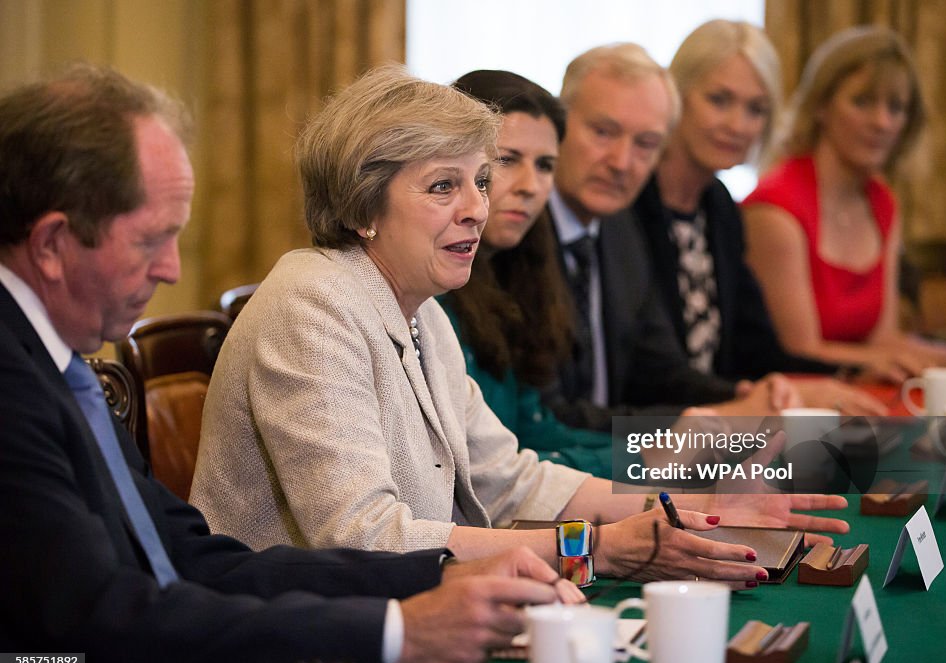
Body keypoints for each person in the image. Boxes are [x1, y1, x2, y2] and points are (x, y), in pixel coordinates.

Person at [0, 64, 584, 663]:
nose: (172, 270)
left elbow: (195, 559)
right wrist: (395, 632)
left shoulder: (55, 366)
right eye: (152, 241)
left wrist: (439, 573)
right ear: (52, 245)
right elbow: (80, 640)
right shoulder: (12, 384)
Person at [192, 65, 849, 590]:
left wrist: (681, 506)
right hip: (294, 639)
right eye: (444, 187)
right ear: (365, 202)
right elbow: (362, 538)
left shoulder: (420, 314)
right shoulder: (313, 300)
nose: (479, 208)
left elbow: (509, 477)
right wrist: (593, 550)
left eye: (479, 181)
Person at [541, 42, 800, 433]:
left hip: (609, 463)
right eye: (603, 132)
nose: (621, 162)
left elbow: (657, 368)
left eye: (645, 144)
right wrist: (698, 420)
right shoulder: (516, 234)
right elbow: (545, 420)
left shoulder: (618, 228)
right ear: (557, 124)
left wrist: (740, 397)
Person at [634, 20, 887, 416]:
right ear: (676, 95)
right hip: (645, 436)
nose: (738, 125)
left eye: (756, 109)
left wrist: (846, 371)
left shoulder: (718, 206)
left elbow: (757, 350)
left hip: (717, 425)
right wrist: (758, 399)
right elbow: (650, 374)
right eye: (719, 100)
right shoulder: (629, 200)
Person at [743, 26, 946, 385]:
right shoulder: (776, 206)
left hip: (859, 398)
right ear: (821, 105)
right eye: (862, 101)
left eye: (896, 107)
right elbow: (801, 351)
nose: (882, 122)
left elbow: (881, 340)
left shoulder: (883, 202)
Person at [440, 69, 613, 477]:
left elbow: (534, 430)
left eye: (546, 165)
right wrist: (657, 458)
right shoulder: (431, 285)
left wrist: (677, 448)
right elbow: (483, 474)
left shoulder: (512, 271)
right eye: (507, 160)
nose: (531, 185)